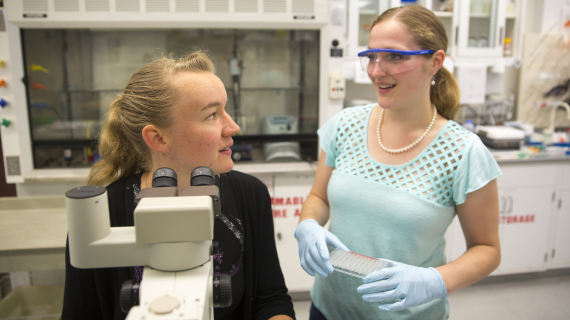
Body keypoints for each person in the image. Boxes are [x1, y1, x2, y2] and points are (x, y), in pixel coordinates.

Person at [295, 5, 501, 320]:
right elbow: (319, 197)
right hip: (328, 309)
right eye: (372, 56)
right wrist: (308, 224)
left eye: (395, 56)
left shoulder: (463, 152)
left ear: (435, 62)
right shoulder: (345, 125)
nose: (377, 70)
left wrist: (436, 280)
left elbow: (487, 250)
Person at [62, 51, 296, 320]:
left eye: (225, 109)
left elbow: (271, 299)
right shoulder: (101, 215)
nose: (233, 126)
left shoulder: (250, 194)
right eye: (211, 115)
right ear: (158, 138)